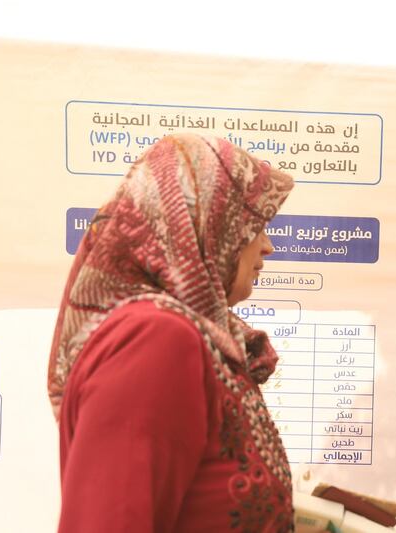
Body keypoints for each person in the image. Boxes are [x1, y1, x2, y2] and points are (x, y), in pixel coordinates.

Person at [47, 133, 295, 532]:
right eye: (254, 225)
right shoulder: (156, 339)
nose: (266, 246)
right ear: (207, 224)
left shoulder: (197, 339)